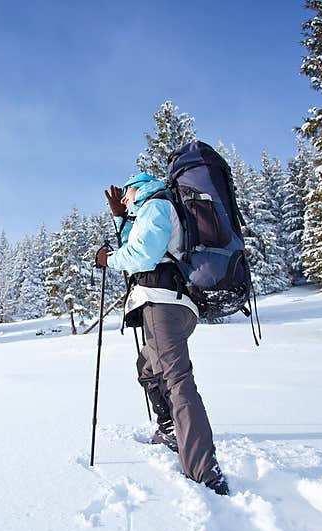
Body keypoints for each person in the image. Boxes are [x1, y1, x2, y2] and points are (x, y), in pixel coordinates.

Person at [97, 173, 229, 496]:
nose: (124, 200)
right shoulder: (152, 211)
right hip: (171, 306)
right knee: (148, 369)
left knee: (177, 381)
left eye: (126, 194)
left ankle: (204, 471)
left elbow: (143, 255)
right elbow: (138, 243)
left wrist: (108, 259)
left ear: (138, 188)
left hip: (163, 303)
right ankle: (170, 429)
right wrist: (119, 219)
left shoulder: (156, 205)